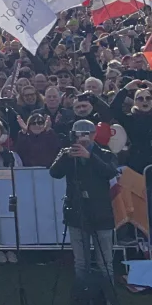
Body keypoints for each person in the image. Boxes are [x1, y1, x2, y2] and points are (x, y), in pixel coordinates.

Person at [49, 119, 119, 280]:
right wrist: (66, 157)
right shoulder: (67, 152)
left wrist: (90, 157)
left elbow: (110, 172)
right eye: (78, 134)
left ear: (94, 135)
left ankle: (108, 298)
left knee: (105, 262)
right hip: (76, 212)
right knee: (81, 261)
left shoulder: (105, 153)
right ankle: (83, 297)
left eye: (86, 134)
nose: (83, 138)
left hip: (101, 213)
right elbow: (54, 173)